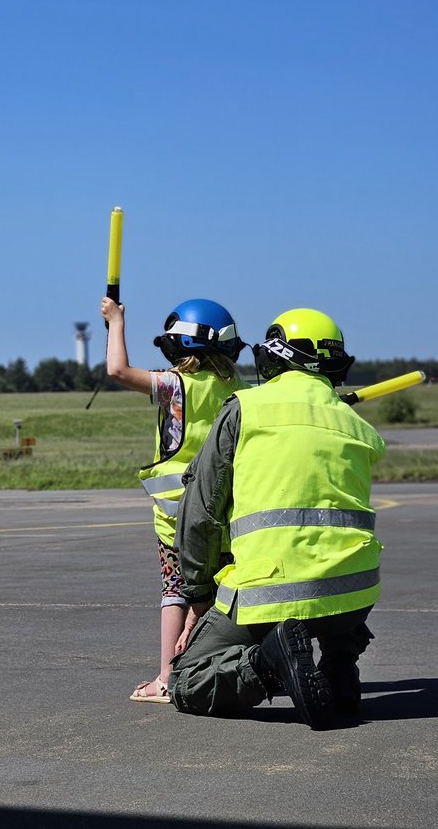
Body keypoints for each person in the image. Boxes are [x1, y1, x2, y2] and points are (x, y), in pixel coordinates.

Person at [169, 308, 384, 729]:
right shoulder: (355, 425)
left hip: (270, 593)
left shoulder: (246, 408)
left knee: (187, 679)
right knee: (329, 565)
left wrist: (198, 596)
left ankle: (270, 663)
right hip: (353, 596)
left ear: (274, 357)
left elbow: (202, 514)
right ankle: (339, 667)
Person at [101, 296, 247, 704]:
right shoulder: (242, 392)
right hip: (228, 519)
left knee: (176, 593)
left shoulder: (174, 386)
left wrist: (116, 322)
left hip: (177, 524)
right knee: (221, 594)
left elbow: (117, 370)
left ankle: (167, 678)